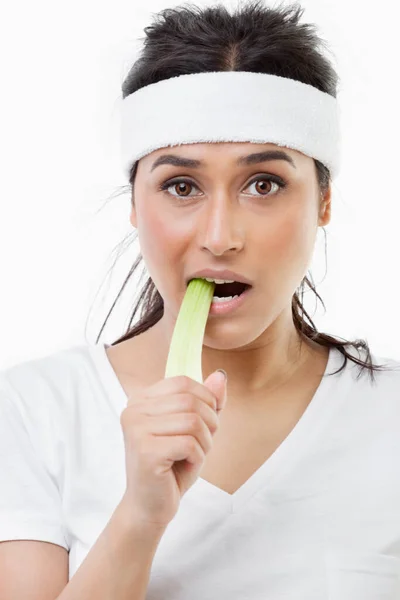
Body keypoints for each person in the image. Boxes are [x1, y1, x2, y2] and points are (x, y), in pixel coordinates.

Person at [1, 1, 400, 599]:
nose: (219, 236)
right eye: (180, 186)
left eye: (263, 184)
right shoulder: (34, 412)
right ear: (135, 204)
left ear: (323, 201)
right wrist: (139, 516)